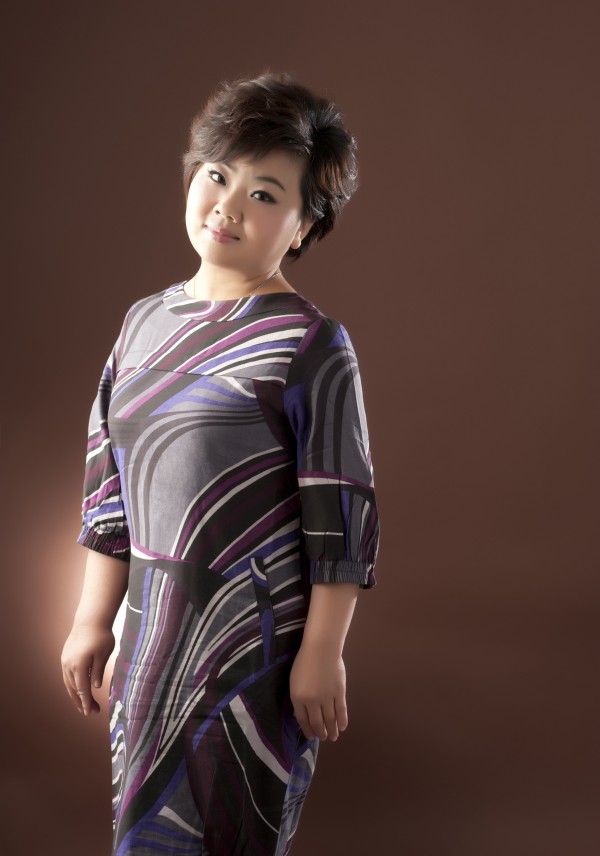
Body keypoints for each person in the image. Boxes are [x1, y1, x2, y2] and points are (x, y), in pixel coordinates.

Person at [61, 70, 380, 856]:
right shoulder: (142, 323)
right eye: (217, 174)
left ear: (303, 226)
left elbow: (341, 516)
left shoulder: (310, 344)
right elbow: (109, 495)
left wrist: (323, 653)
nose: (227, 205)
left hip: (250, 662)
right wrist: (91, 620)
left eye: (265, 193)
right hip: (147, 656)